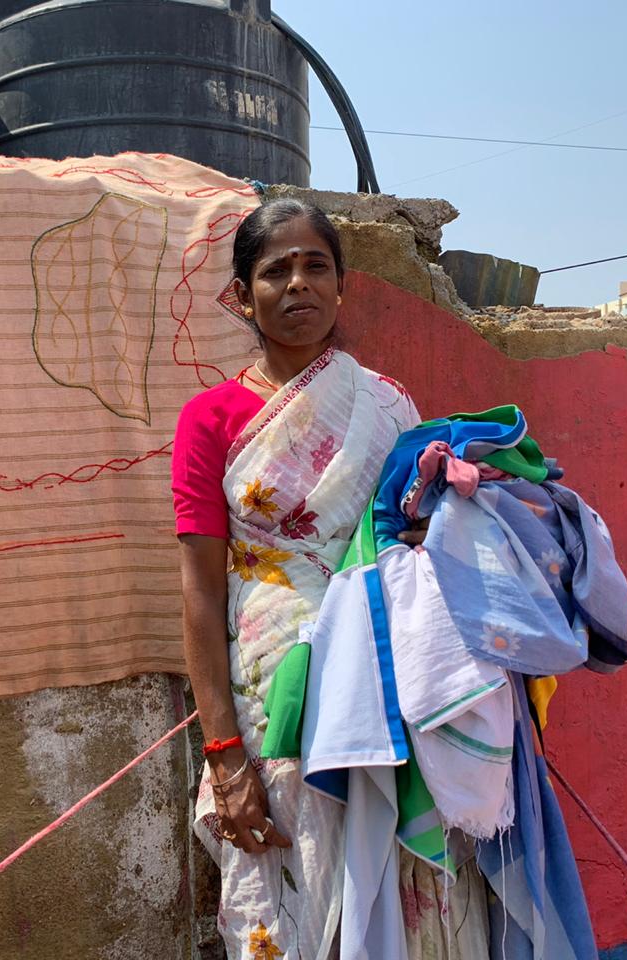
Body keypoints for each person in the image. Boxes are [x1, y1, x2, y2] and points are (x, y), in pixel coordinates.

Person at [172, 198, 443, 958]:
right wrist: (224, 753)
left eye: (315, 266)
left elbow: (414, 549)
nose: (298, 284)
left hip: (385, 672)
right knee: (284, 879)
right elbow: (199, 590)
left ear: (342, 285)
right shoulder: (211, 419)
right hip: (269, 693)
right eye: (275, 270)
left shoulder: (388, 408)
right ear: (243, 294)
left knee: (385, 880)